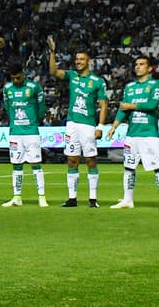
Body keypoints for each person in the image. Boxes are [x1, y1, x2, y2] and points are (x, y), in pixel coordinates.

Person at [106, 56, 159, 211]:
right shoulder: (129, 87)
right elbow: (123, 110)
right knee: (129, 167)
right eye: (136, 64)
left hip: (149, 134)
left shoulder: (156, 84)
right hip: (132, 134)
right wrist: (114, 126)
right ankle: (127, 200)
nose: (138, 67)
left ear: (150, 68)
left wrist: (130, 105)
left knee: (158, 167)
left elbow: (152, 105)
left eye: (142, 64)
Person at [47, 36, 108, 208]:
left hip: (88, 125)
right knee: (72, 159)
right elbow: (53, 72)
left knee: (91, 160)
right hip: (72, 124)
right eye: (76, 59)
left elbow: (104, 105)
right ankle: (72, 198)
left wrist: (100, 126)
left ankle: (93, 199)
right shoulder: (72, 76)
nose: (78, 62)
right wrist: (52, 53)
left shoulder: (97, 81)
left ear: (88, 62)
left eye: (82, 59)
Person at [1, 61, 48, 207]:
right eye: (13, 78)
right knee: (16, 164)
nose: (16, 80)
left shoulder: (34, 87)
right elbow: (7, 108)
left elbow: (41, 109)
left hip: (31, 132)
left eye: (18, 78)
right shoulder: (7, 89)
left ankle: (41, 197)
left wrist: (34, 122)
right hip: (15, 132)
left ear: (24, 73)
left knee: (35, 164)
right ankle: (17, 197)